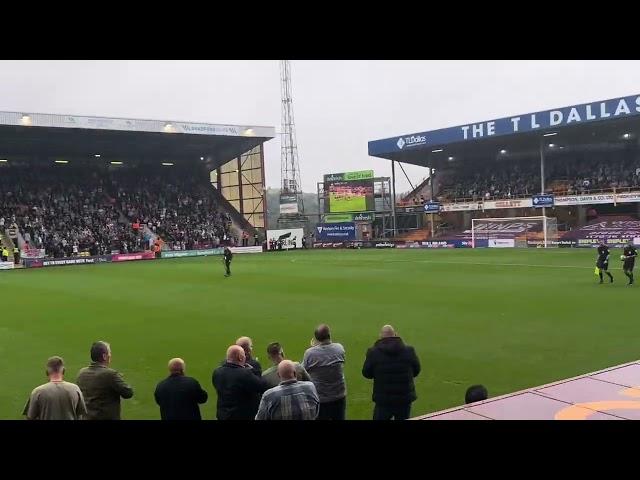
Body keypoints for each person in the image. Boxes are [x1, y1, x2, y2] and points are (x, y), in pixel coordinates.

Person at [362, 325, 421, 420]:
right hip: (404, 398)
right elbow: (417, 370)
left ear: (381, 337)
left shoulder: (373, 352)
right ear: (395, 335)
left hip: (383, 399)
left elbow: (366, 373)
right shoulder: (409, 351)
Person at [76, 341, 134, 420]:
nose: (110, 355)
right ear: (104, 356)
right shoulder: (110, 374)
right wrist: (117, 378)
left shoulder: (81, 373)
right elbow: (128, 393)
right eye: (109, 353)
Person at [302, 324, 346, 420]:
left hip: (320, 397)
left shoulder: (310, 353)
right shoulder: (339, 348)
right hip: (339, 395)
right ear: (329, 335)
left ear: (316, 338)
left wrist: (314, 347)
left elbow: (302, 370)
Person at [212, 345, 267, 420]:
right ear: (240, 357)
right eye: (244, 355)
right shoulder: (244, 374)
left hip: (223, 415)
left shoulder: (217, 372)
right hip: (242, 415)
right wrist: (254, 371)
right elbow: (261, 386)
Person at [23, 356, 87, 420]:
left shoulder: (38, 392)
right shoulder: (75, 389)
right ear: (64, 370)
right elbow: (80, 415)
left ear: (47, 372)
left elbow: (30, 417)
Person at [255, 360, 320, 420]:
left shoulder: (269, 395)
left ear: (278, 375)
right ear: (295, 373)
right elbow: (317, 410)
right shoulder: (310, 386)